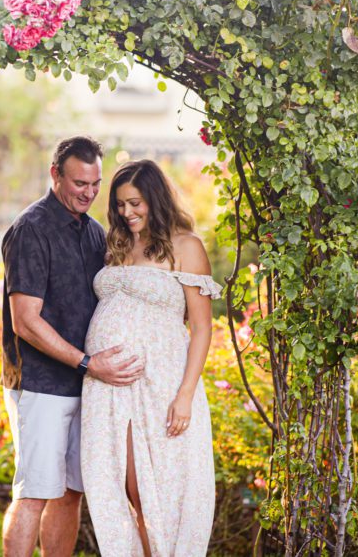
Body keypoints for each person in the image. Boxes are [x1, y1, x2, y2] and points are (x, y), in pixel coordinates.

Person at [1, 136, 145, 557]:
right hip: (41, 384)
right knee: (33, 493)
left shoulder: (95, 232)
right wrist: (87, 363)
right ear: (55, 175)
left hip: (88, 385)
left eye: (96, 184)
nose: (89, 192)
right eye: (80, 182)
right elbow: (26, 322)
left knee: (70, 493)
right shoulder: (31, 229)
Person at [81, 159, 218, 556]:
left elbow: (203, 327)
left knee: (152, 489)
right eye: (121, 205)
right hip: (107, 387)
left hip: (162, 384)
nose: (127, 213)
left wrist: (185, 395)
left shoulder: (186, 246)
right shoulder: (120, 244)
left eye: (135, 203)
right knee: (118, 486)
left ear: (155, 199)